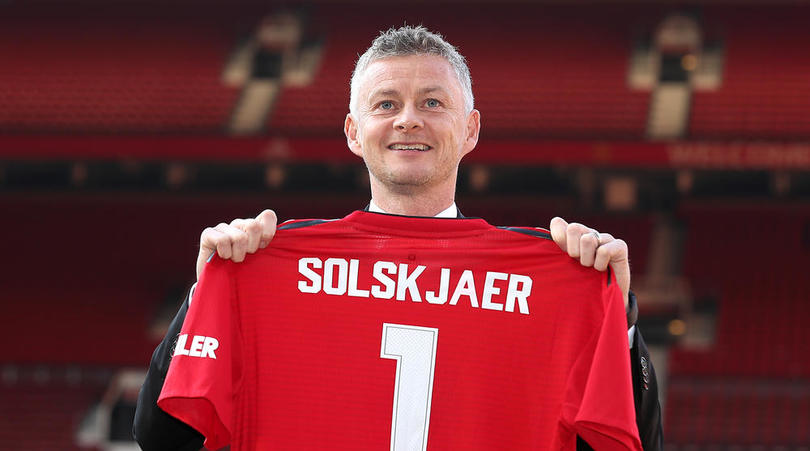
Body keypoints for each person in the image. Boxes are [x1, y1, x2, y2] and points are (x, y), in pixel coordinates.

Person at [134, 25, 662, 450]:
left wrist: (616, 324)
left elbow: (626, 442)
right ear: (352, 132)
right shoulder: (267, 265)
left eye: (432, 103)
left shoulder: (555, 276)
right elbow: (163, 438)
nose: (408, 120)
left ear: (471, 129)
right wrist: (207, 295)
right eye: (386, 104)